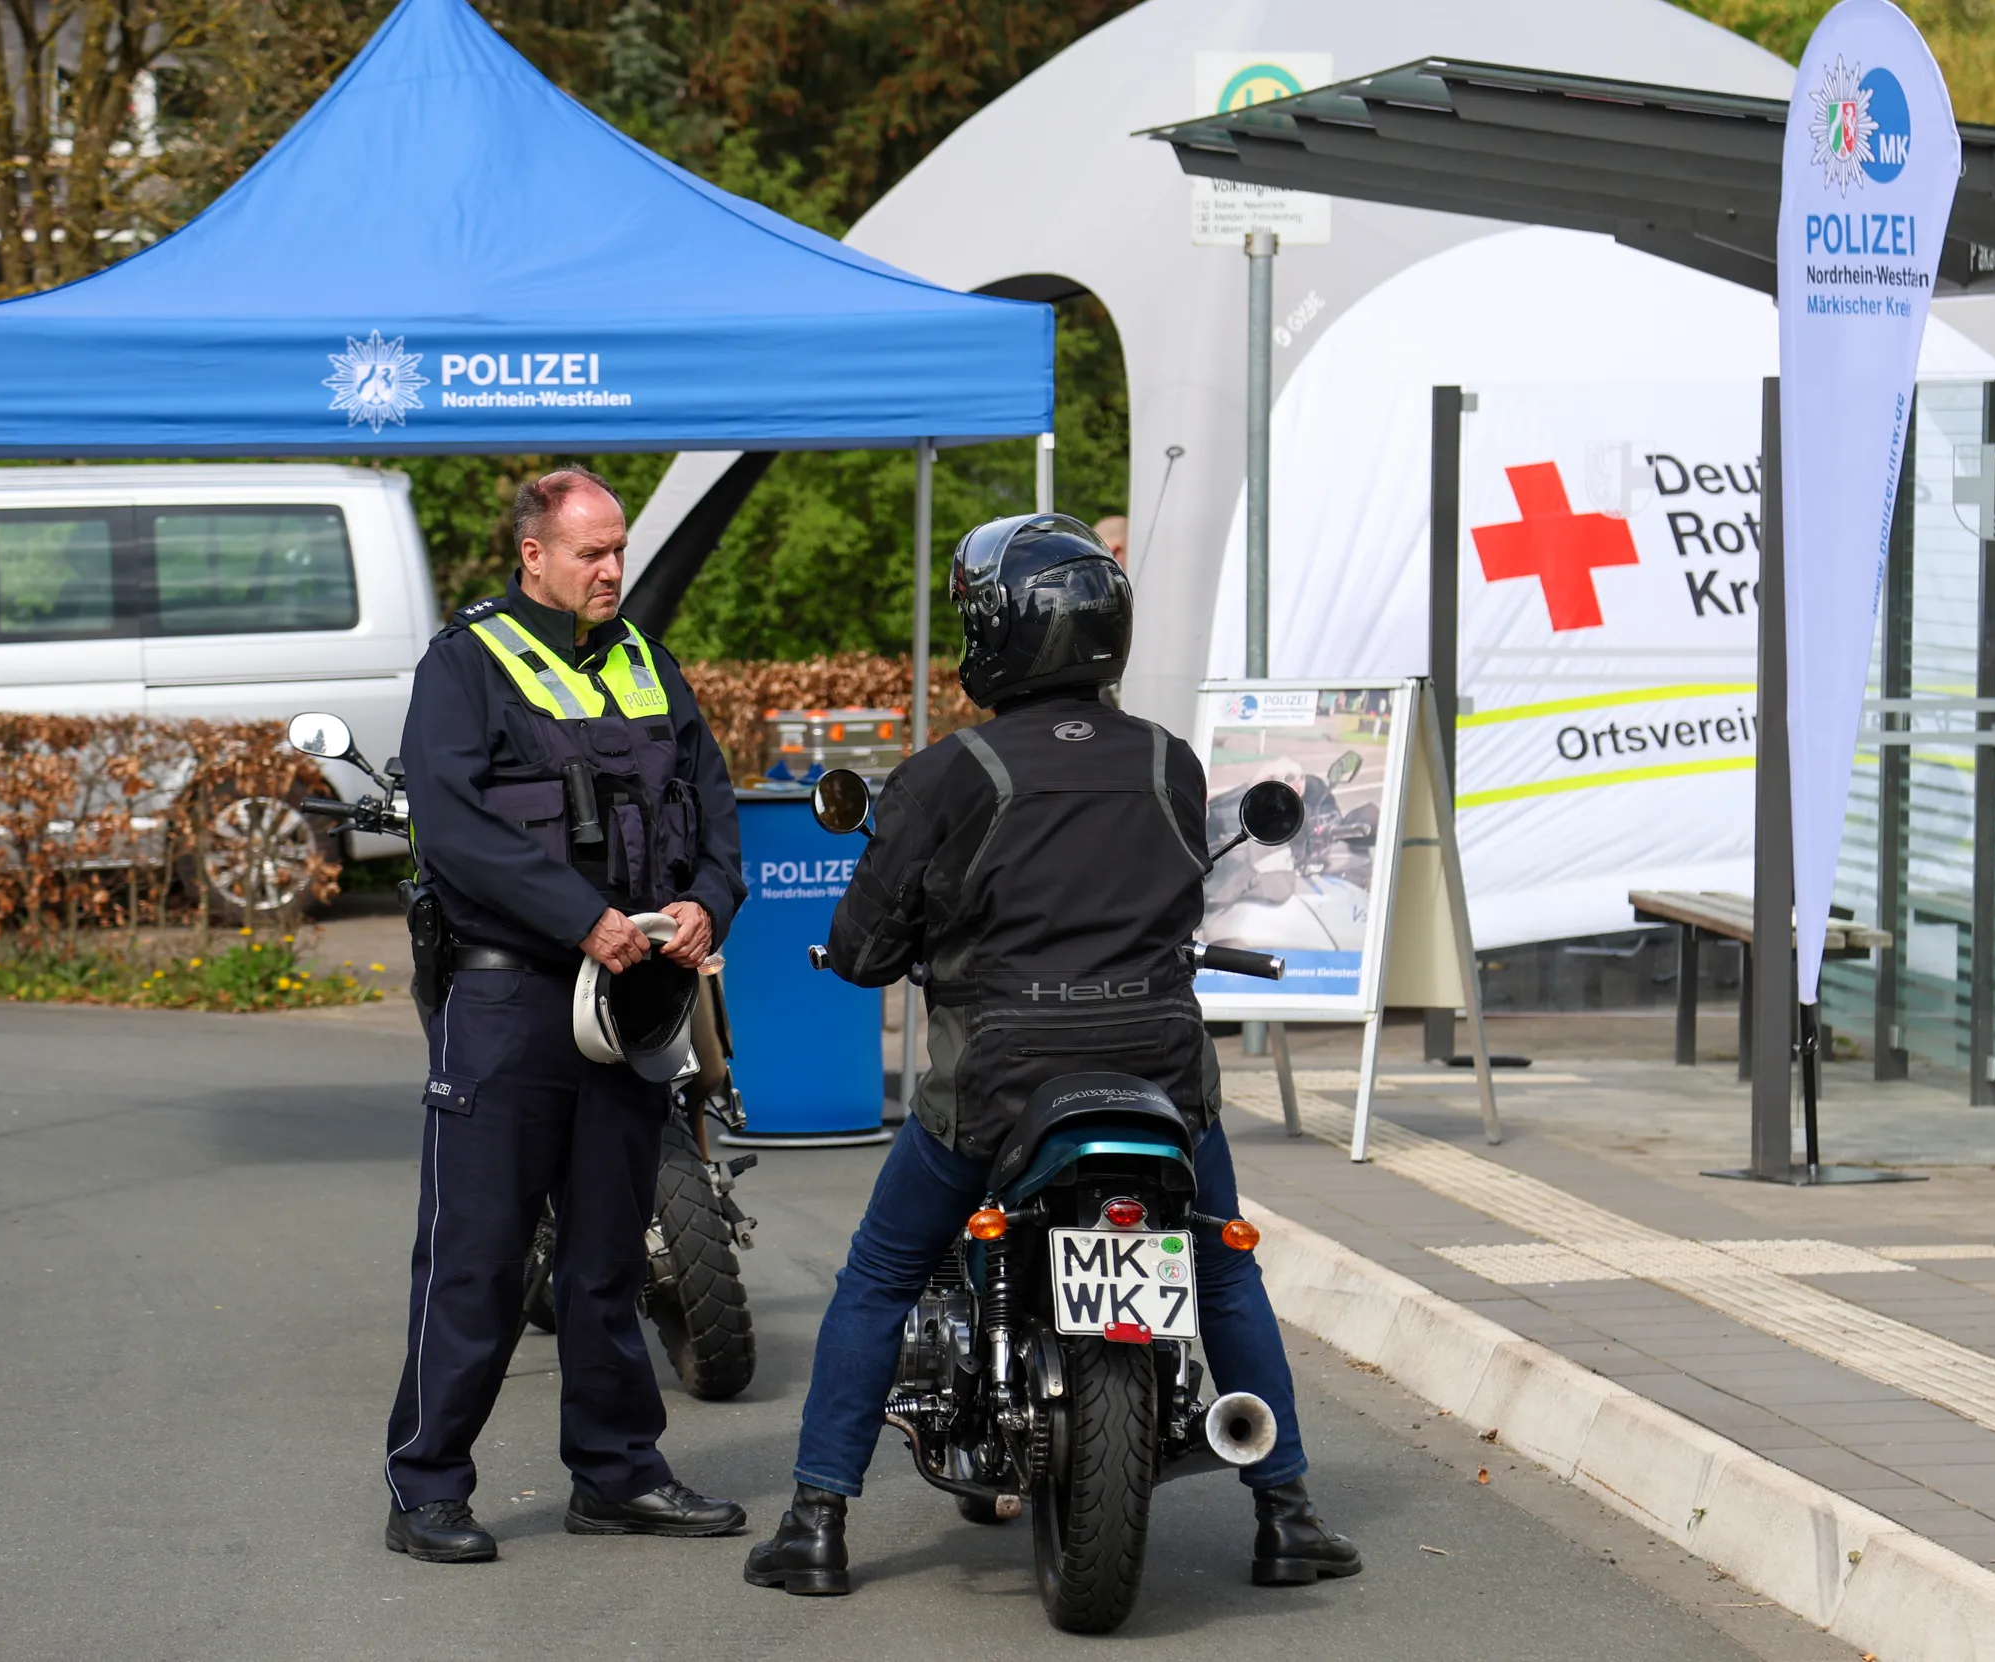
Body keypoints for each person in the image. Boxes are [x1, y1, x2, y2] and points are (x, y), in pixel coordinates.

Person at [743, 512, 1360, 1596]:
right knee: (1223, 1270)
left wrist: (863, 952)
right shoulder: (1170, 764)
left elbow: (866, 940)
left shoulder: (947, 776)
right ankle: (1290, 1512)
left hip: (999, 1082)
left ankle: (816, 1524)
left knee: (879, 1276)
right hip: (1161, 1076)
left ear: (996, 633)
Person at [382, 468, 748, 1562]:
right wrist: (580, 914)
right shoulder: (467, 665)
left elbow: (716, 814)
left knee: (606, 1254)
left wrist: (704, 903)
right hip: (509, 998)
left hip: (632, 996)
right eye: (589, 553)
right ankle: (426, 1488)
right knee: (478, 1254)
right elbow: (451, 829)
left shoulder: (647, 662)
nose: (611, 571)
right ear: (532, 553)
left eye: (619, 549)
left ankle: (617, 1472)